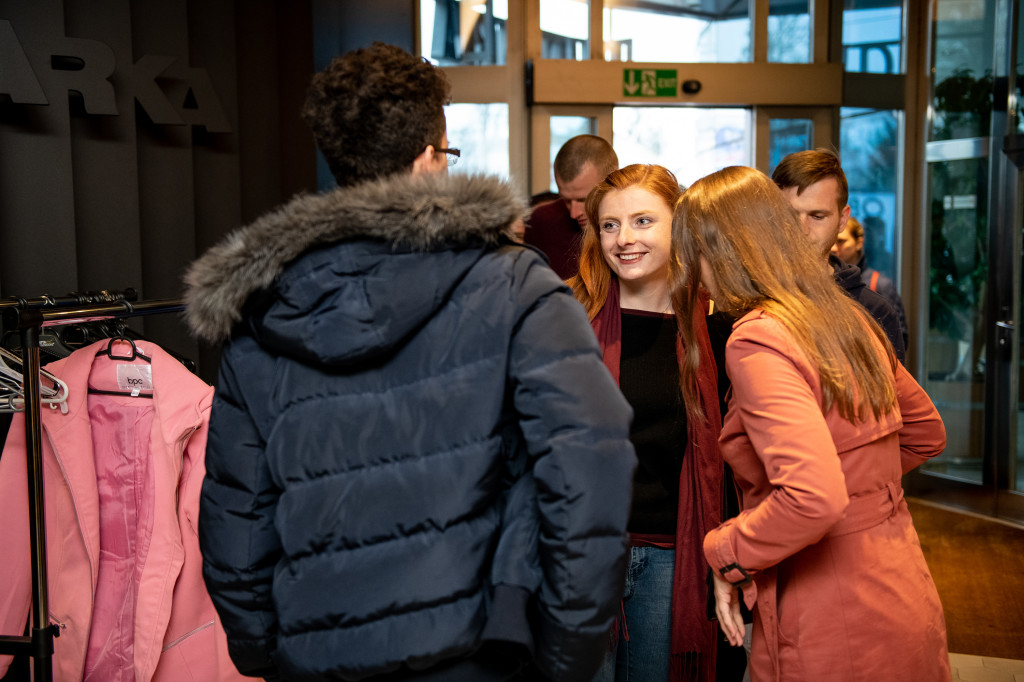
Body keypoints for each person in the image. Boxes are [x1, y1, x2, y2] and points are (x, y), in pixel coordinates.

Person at [183, 42, 637, 682]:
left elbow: (238, 508)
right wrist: (564, 656)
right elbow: (588, 472)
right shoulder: (516, 288)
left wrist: (263, 648)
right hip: (479, 653)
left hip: (319, 656)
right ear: (428, 158)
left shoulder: (261, 313)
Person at [673, 166, 950, 681]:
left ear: (723, 253)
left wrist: (724, 551)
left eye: (694, 256)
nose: (694, 273)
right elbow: (926, 433)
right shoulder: (842, 316)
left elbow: (813, 497)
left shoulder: (758, 338)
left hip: (827, 607)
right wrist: (858, 496)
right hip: (900, 585)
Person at [568, 164, 725, 682]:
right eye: (610, 225)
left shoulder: (712, 325)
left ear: (676, 225)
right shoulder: (568, 314)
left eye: (642, 221)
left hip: (670, 556)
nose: (624, 239)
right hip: (580, 552)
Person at [771, 149, 906, 363]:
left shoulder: (874, 312)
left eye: (817, 216)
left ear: (843, 220)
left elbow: (892, 395)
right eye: (789, 215)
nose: (802, 229)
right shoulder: (744, 297)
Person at [525, 134, 618, 279]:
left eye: (583, 199)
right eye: (566, 200)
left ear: (613, 181)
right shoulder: (540, 223)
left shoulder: (636, 228)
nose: (574, 213)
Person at [832, 215, 909, 350]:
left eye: (841, 241)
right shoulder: (824, 280)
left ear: (859, 243)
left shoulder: (879, 284)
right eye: (832, 241)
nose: (834, 248)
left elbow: (899, 338)